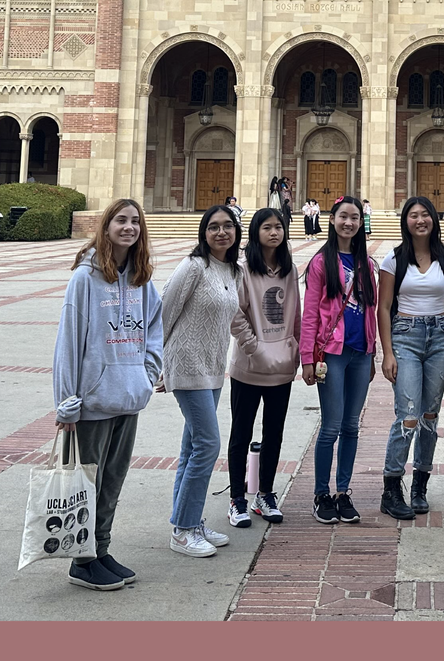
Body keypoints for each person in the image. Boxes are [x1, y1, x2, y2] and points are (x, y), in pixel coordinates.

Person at [53, 199, 163, 590]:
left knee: (112, 482)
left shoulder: (141, 278)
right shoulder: (85, 278)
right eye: (121, 220)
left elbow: (154, 329)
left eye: (135, 221)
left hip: (128, 397)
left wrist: (146, 375)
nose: (129, 227)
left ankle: (101, 549)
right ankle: (82, 561)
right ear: (107, 226)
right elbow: (68, 342)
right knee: (88, 483)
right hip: (92, 403)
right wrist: (66, 402)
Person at [160, 204, 242, 558]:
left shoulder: (234, 270)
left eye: (227, 226)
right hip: (186, 364)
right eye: (213, 227)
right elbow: (164, 311)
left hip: (212, 367)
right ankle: (184, 528)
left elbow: (231, 318)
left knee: (192, 447)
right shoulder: (193, 266)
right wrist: (156, 362)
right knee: (208, 444)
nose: (221, 232)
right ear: (203, 232)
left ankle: (187, 521)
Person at [377, 196, 444, 519]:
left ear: (434, 219)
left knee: (429, 416)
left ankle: (420, 486)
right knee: (408, 414)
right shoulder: (393, 259)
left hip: (441, 337)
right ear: (406, 221)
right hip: (406, 337)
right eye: (413, 215)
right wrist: (387, 352)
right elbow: (384, 308)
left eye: (425, 214)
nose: (420, 220)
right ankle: (391, 488)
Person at [300, 196, 380, 525]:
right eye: (343, 216)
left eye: (355, 217)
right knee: (331, 426)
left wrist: (372, 352)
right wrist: (307, 357)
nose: (349, 222)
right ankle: (321, 493)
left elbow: (371, 309)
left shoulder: (366, 263)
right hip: (331, 353)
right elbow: (309, 314)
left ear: (361, 222)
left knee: (351, 426)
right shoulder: (321, 262)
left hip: (361, 353)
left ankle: (343, 492)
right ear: (332, 219)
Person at [226, 208, 301, 530]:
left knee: (274, 433)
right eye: (267, 227)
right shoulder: (242, 270)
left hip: (281, 366)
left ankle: (265, 494)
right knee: (241, 432)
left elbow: (295, 312)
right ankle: (237, 498)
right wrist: (254, 348)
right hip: (249, 366)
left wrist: (296, 348)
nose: (274, 233)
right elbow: (235, 314)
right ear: (255, 232)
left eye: (278, 227)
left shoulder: (289, 270)